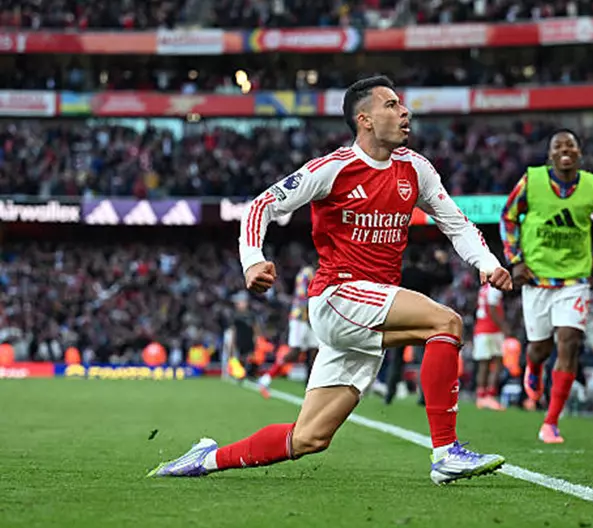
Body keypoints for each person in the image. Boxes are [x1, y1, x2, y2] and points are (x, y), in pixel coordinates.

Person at [148, 75, 513, 485]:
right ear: (365, 119)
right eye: (391, 105)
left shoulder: (416, 168)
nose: (404, 111)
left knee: (309, 438)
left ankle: (207, 458)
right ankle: (446, 453)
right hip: (339, 297)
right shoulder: (333, 168)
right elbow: (261, 206)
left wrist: (486, 262)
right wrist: (252, 260)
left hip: (371, 305)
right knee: (445, 322)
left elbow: (456, 223)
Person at [500, 129, 593, 443]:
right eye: (558, 146)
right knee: (540, 348)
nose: (565, 149)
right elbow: (508, 217)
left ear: (579, 153)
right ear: (550, 155)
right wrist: (515, 260)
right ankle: (533, 365)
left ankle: (551, 421)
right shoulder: (531, 181)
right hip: (537, 278)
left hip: (574, 280)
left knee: (569, 342)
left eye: (570, 145)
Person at [383, 247, 453, 405]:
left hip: (400, 320)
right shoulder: (424, 275)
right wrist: (444, 263)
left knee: (396, 359)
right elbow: (447, 279)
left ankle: (389, 394)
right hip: (421, 320)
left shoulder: (401, 275)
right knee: (423, 360)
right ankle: (423, 396)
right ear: (421, 260)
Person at [259, 261, 319, 395]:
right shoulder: (306, 274)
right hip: (300, 318)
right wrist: (310, 314)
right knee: (295, 351)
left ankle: (310, 386)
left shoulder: (315, 273)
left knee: (314, 351)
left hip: (311, 318)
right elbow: (303, 297)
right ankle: (266, 377)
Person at [472, 282, 510, 410]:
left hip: (481, 328)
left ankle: (481, 396)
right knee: (497, 363)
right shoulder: (494, 289)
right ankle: (489, 395)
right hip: (492, 330)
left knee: (484, 364)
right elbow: (492, 309)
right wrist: (504, 327)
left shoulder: (483, 288)